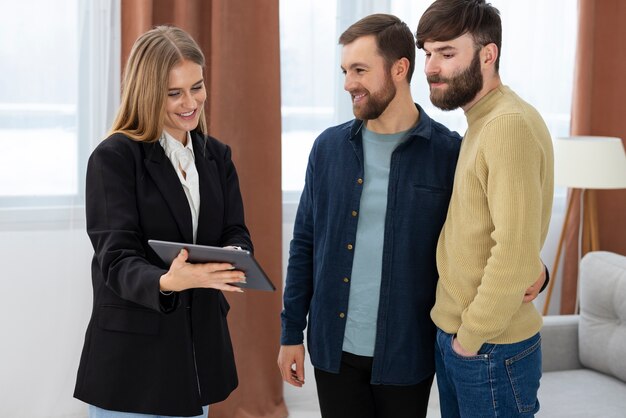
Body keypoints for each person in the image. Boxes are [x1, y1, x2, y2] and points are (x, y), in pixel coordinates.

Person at [277, 14, 461, 418]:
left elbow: (475, 234)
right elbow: (304, 243)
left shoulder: (448, 154)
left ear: (399, 68)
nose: (348, 83)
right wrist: (291, 332)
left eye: (359, 70)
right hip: (333, 348)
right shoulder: (327, 149)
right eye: (345, 71)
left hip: (407, 351)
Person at [74, 26, 251, 418]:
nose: (191, 102)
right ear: (148, 92)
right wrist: (168, 281)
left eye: (197, 87)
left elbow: (234, 229)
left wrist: (236, 255)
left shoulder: (216, 157)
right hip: (130, 362)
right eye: (174, 93)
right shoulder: (114, 158)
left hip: (194, 356)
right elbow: (116, 257)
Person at [416, 1, 554, 417]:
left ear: (487, 54)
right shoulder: (482, 122)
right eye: (427, 53)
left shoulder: (506, 125)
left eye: (446, 53)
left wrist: (470, 339)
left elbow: (512, 250)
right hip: (467, 338)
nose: (431, 68)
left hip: (487, 346)